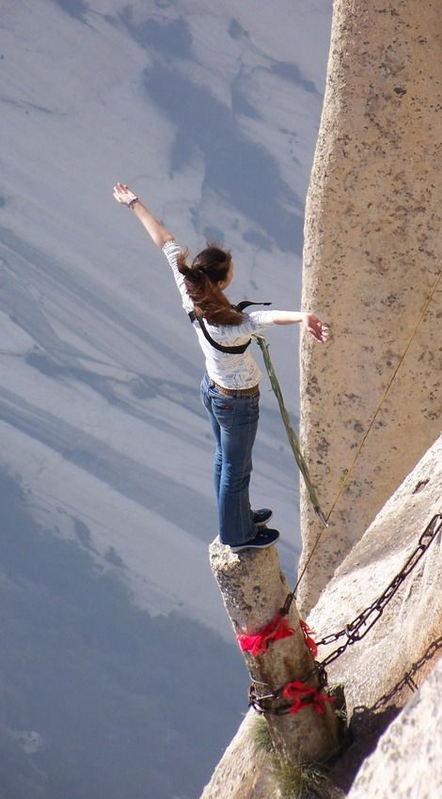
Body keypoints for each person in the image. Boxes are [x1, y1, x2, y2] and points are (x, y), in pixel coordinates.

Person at [113, 183, 329, 552]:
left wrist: (133, 203)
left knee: (223, 459)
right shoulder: (231, 323)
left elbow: (164, 240)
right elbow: (267, 318)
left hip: (212, 390)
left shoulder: (190, 289)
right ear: (223, 280)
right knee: (236, 469)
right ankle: (237, 534)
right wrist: (304, 316)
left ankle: (236, 516)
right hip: (237, 401)